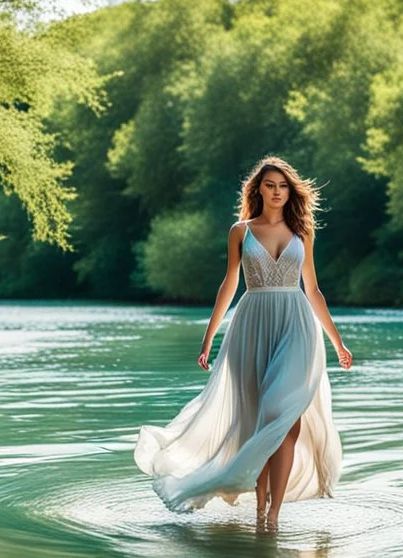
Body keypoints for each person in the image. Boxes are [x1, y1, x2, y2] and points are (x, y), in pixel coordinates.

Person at [134, 156, 352, 529]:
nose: (277, 192)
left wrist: (337, 343)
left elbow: (313, 290)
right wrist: (208, 338)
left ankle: (274, 516)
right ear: (258, 190)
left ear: (290, 191)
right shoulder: (241, 231)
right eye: (270, 185)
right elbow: (229, 285)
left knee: (285, 417)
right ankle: (258, 506)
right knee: (260, 419)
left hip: (297, 324)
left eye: (283, 186)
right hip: (252, 325)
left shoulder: (303, 231)